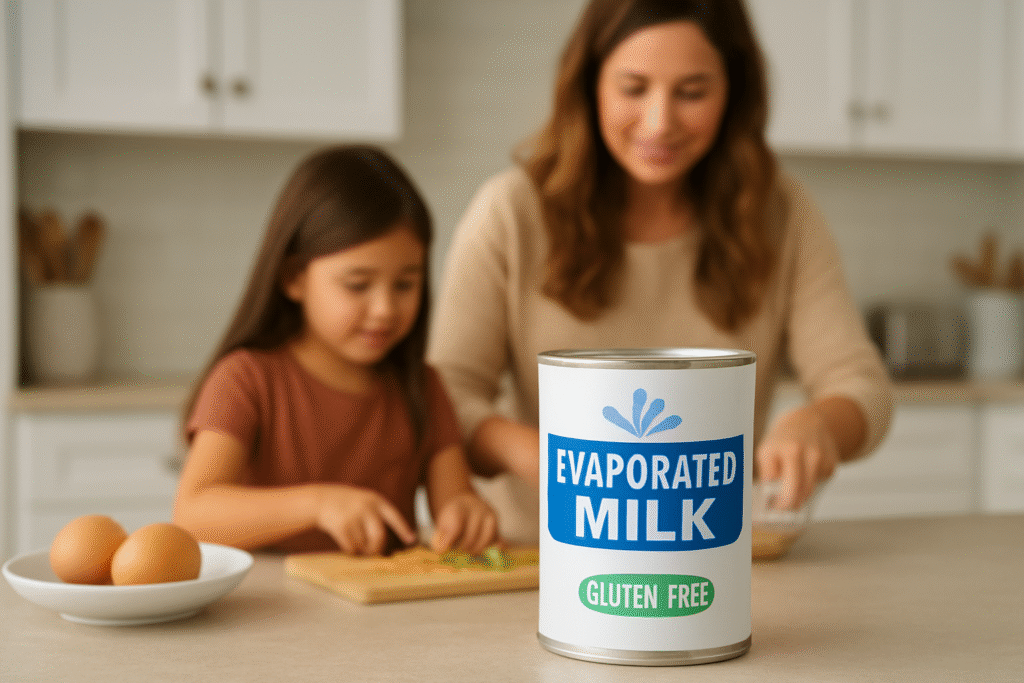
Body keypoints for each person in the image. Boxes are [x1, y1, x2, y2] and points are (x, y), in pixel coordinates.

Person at [427, 0, 893, 544]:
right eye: (633, 88)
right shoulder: (511, 212)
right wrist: (563, 463)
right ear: (589, 84)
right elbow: (445, 395)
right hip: (540, 562)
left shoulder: (782, 214)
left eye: (692, 93)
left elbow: (862, 386)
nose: (659, 122)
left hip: (712, 561)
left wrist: (817, 424)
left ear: (734, 91)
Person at [174, 145, 498, 556]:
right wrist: (319, 504)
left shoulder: (423, 386)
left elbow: (455, 503)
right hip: (270, 613)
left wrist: (467, 515)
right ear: (294, 278)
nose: (384, 310)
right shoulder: (245, 379)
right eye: (357, 285)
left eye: (405, 284)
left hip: (386, 616)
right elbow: (192, 513)